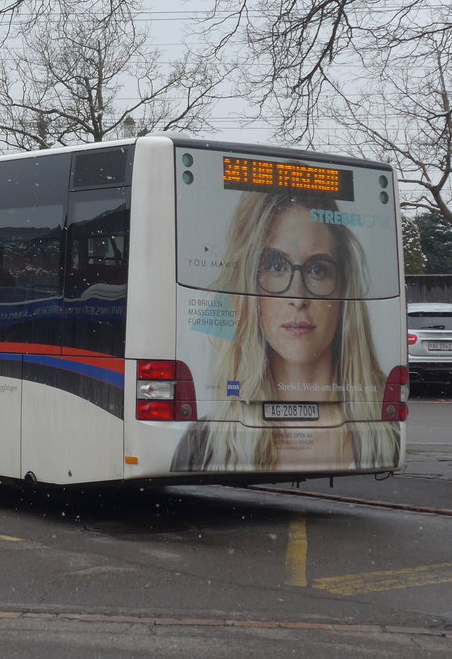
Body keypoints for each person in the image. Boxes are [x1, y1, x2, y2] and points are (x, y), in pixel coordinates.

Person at [171, 191, 400, 472]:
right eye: (276, 266)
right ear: (249, 285)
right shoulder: (203, 444)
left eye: (317, 269)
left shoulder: (387, 437)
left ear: (342, 287)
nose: (298, 296)